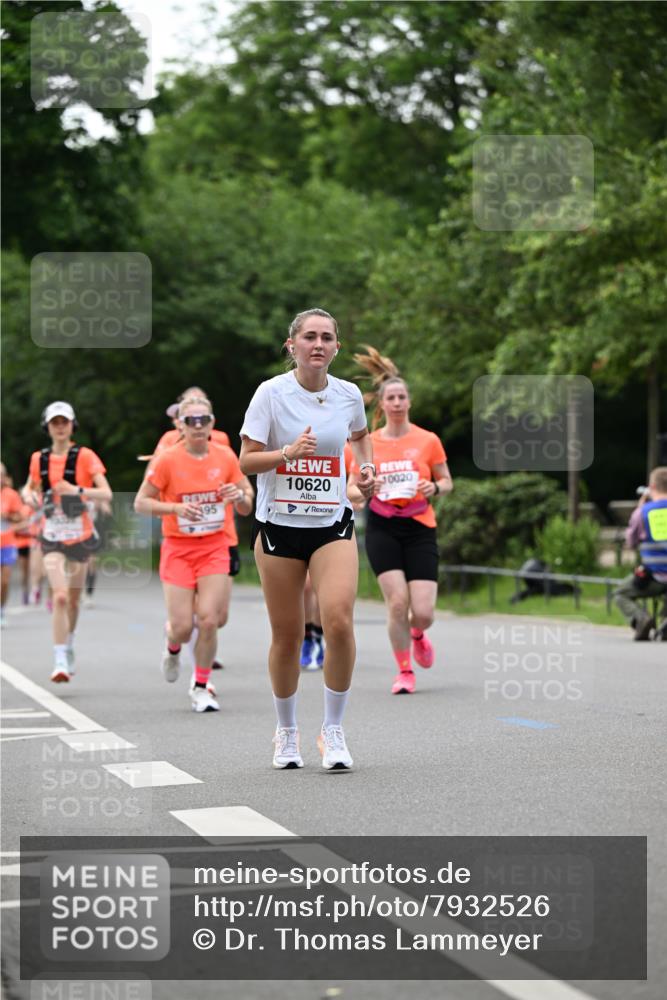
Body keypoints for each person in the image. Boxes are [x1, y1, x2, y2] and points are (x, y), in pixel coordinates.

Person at [239, 307, 376, 771]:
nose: (318, 345)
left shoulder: (349, 394)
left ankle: (333, 731)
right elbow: (246, 462)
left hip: (331, 525)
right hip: (278, 528)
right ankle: (287, 731)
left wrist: (368, 469)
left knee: (338, 621)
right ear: (291, 346)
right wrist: (287, 453)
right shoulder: (270, 395)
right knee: (288, 634)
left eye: (327, 338)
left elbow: (361, 436)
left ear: (337, 347)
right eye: (309, 337)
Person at [134, 396, 253, 712]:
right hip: (178, 549)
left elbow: (247, 502)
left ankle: (201, 686)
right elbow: (141, 502)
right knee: (183, 626)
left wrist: (238, 495)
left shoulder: (225, 455)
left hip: (214, 546)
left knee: (210, 620)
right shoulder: (167, 460)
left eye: (204, 420)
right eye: (191, 421)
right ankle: (173, 646)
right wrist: (175, 507)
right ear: (181, 426)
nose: (198, 426)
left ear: (212, 423)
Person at [348, 347, 452, 695]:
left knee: (422, 612)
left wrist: (433, 486)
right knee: (396, 603)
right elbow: (351, 490)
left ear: (408, 402)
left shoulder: (427, 440)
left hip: (420, 525)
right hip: (383, 526)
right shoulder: (367, 443)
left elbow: (447, 482)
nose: (396, 402)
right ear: (382, 403)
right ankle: (404, 670)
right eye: (390, 397)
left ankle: (418, 633)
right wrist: (364, 490)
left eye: (401, 396)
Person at [21, 402, 112, 681]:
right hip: (51, 536)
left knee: (72, 601)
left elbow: (105, 493)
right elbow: (30, 486)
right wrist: (28, 496)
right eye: (54, 422)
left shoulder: (85, 456)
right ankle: (59, 658)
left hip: (80, 537)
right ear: (47, 427)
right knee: (59, 596)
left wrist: (75, 489)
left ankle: (69, 643)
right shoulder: (40, 458)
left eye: (65, 422)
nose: (60, 427)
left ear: (73, 425)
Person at [300, 442, 355, 671]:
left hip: (329, 526)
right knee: (305, 588)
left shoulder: (346, 447)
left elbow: (353, 485)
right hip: (294, 521)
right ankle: (306, 636)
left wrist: (359, 493)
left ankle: (319, 636)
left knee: (323, 589)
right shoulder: (291, 434)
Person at [614, 466, 667, 640]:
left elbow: (631, 542)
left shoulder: (643, 513)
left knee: (620, 593)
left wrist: (639, 509)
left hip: (653, 577)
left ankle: (641, 618)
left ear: (652, 486)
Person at [1, 463, 24, 626]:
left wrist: (7, 516)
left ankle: (1, 609)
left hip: (7, 542)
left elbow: (20, 517)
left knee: (5, 581)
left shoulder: (11, 495)